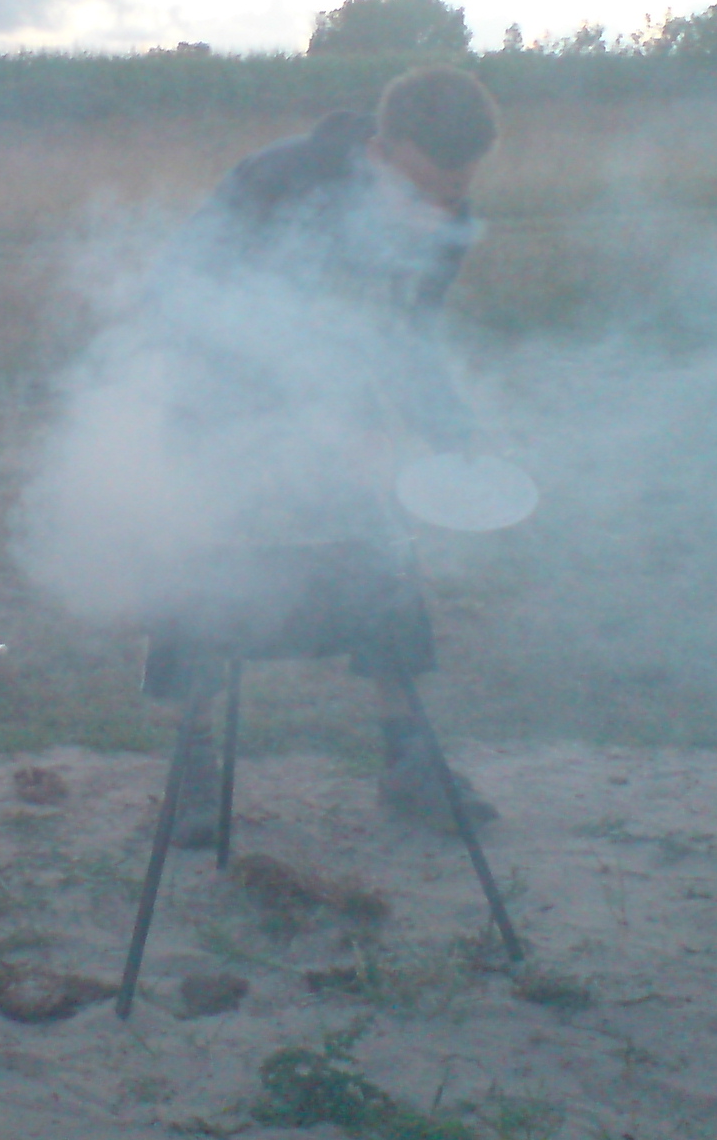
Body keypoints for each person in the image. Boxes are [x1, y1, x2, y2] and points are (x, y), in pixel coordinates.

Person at [146, 65, 500, 841]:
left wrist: (449, 427)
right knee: (207, 571)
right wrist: (288, 413)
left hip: (340, 423)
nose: (438, 210)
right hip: (222, 408)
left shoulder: (449, 215)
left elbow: (410, 333)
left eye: (454, 192)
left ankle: (408, 763)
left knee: (382, 557)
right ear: (379, 150)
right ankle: (193, 770)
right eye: (420, 190)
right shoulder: (275, 183)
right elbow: (176, 292)